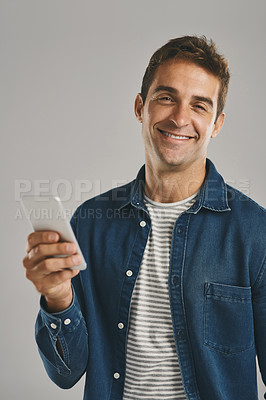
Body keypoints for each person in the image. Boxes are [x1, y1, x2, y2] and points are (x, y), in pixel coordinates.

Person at [23, 36, 266, 400]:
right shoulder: (91, 223)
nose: (180, 118)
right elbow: (66, 374)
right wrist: (57, 297)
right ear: (141, 106)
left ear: (216, 123)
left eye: (199, 106)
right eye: (166, 97)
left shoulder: (255, 231)